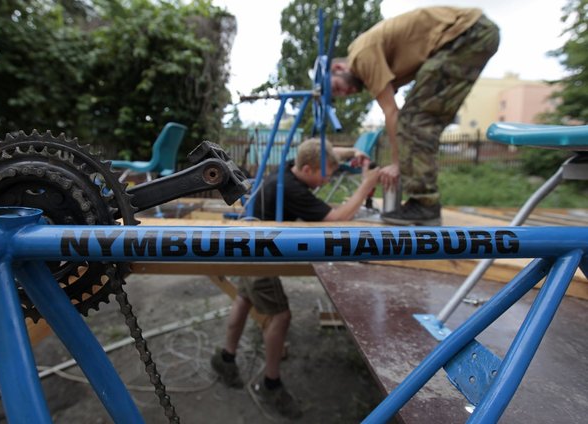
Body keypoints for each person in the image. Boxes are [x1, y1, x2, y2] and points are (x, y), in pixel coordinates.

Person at [211, 138, 379, 419]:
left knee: (243, 298)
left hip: (247, 240)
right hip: (257, 252)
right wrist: (366, 184)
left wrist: (353, 152)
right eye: (326, 173)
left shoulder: (290, 167)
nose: (328, 179)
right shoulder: (292, 189)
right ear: (310, 169)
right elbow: (336, 219)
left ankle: (225, 358)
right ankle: (271, 384)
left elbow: (319, 151)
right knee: (281, 316)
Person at [330, 6, 500, 225]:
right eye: (338, 95)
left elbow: (391, 112)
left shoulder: (361, 57)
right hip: (469, 34)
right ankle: (422, 203)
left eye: (337, 87)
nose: (344, 94)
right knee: (421, 118)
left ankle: (425, 205)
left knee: (415, 120)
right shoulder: (368, 55)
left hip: (466, 33)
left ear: (337, 67)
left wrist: (396, 164)